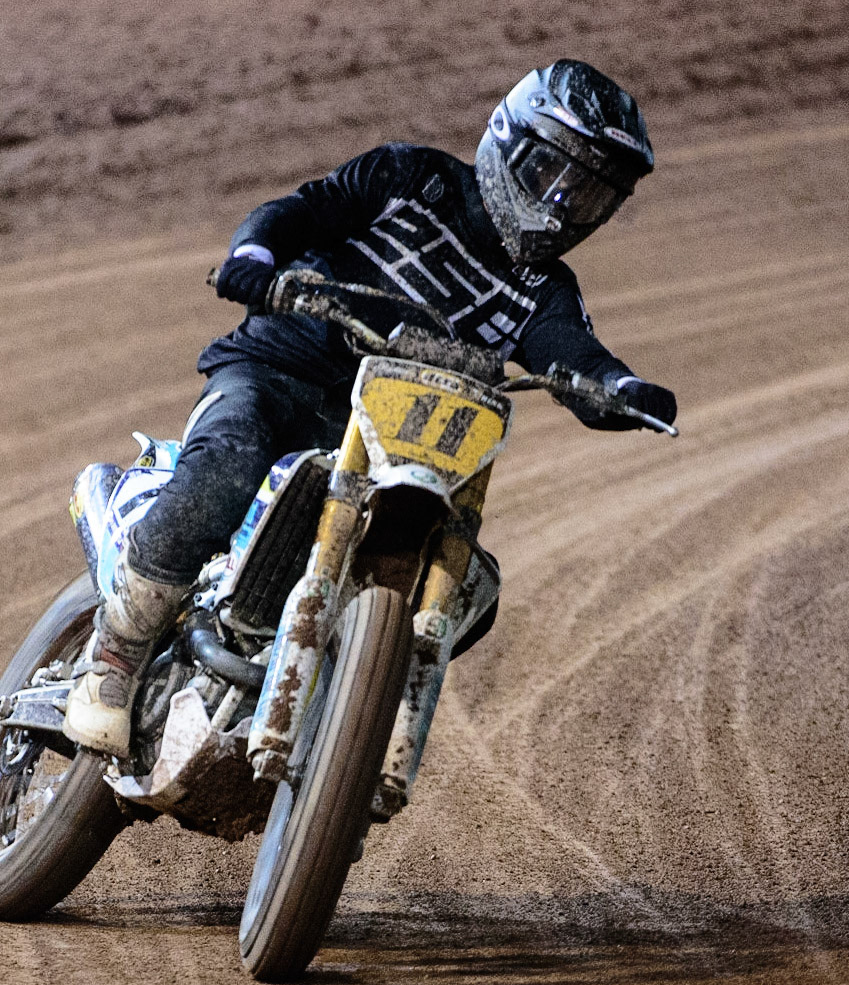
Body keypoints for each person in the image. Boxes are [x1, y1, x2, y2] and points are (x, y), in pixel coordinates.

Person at [64, 59, 678, 755]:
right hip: (276, 374)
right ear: (509, 142)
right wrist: (255, 255)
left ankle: (333, 713)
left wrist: (621, 389)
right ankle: (115, 653)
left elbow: (573, 351)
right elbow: (303, 211)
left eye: (590, 196)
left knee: (469, 589)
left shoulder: (544, 290)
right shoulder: (411, 178)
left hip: (389, 443)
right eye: (552, 175)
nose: (564, 205)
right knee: (229, 464)